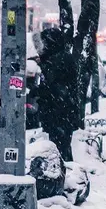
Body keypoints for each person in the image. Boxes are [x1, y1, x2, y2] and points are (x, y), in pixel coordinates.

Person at [35, 28, 78, 161]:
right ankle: (66, 172)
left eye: (45, 42)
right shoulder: (60, 57)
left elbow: (52, 85)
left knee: (59, 147)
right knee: (62, 146)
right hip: (62, 112)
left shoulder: (58, 60)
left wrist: (38, 91)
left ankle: (64, 174)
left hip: (58, 112)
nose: (42, 46)